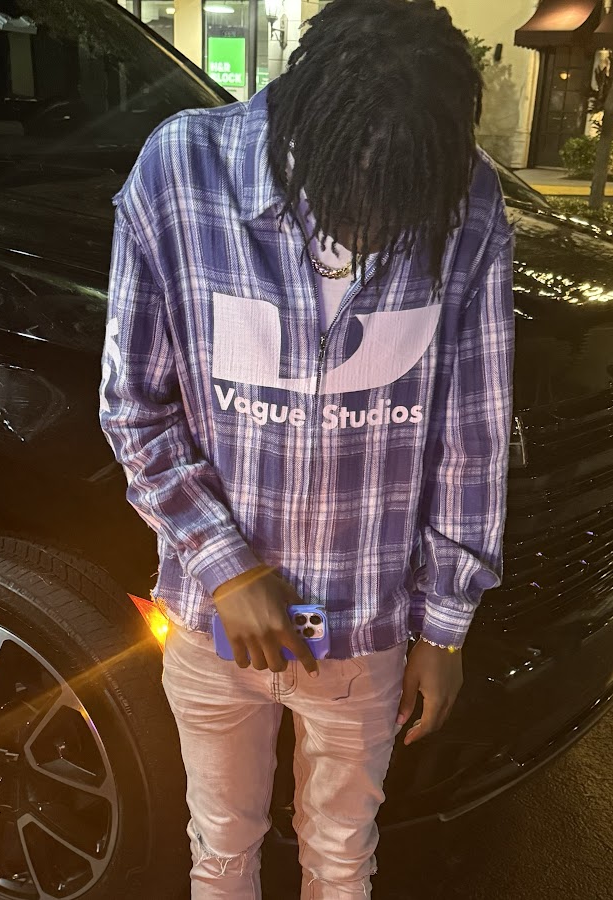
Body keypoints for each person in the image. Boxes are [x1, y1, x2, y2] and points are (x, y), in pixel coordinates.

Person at [99, 0, 515, 896]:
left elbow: (472, 436)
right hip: (213, 628)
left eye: (400, 204)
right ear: (298, 119)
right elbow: (133, 407)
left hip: (366, 629)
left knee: (342, 857)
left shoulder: (468, 198)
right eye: (350, 191)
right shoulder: (182, 172)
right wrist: (229, 568)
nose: (371, 233)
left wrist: (445, 630)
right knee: (220, 850)